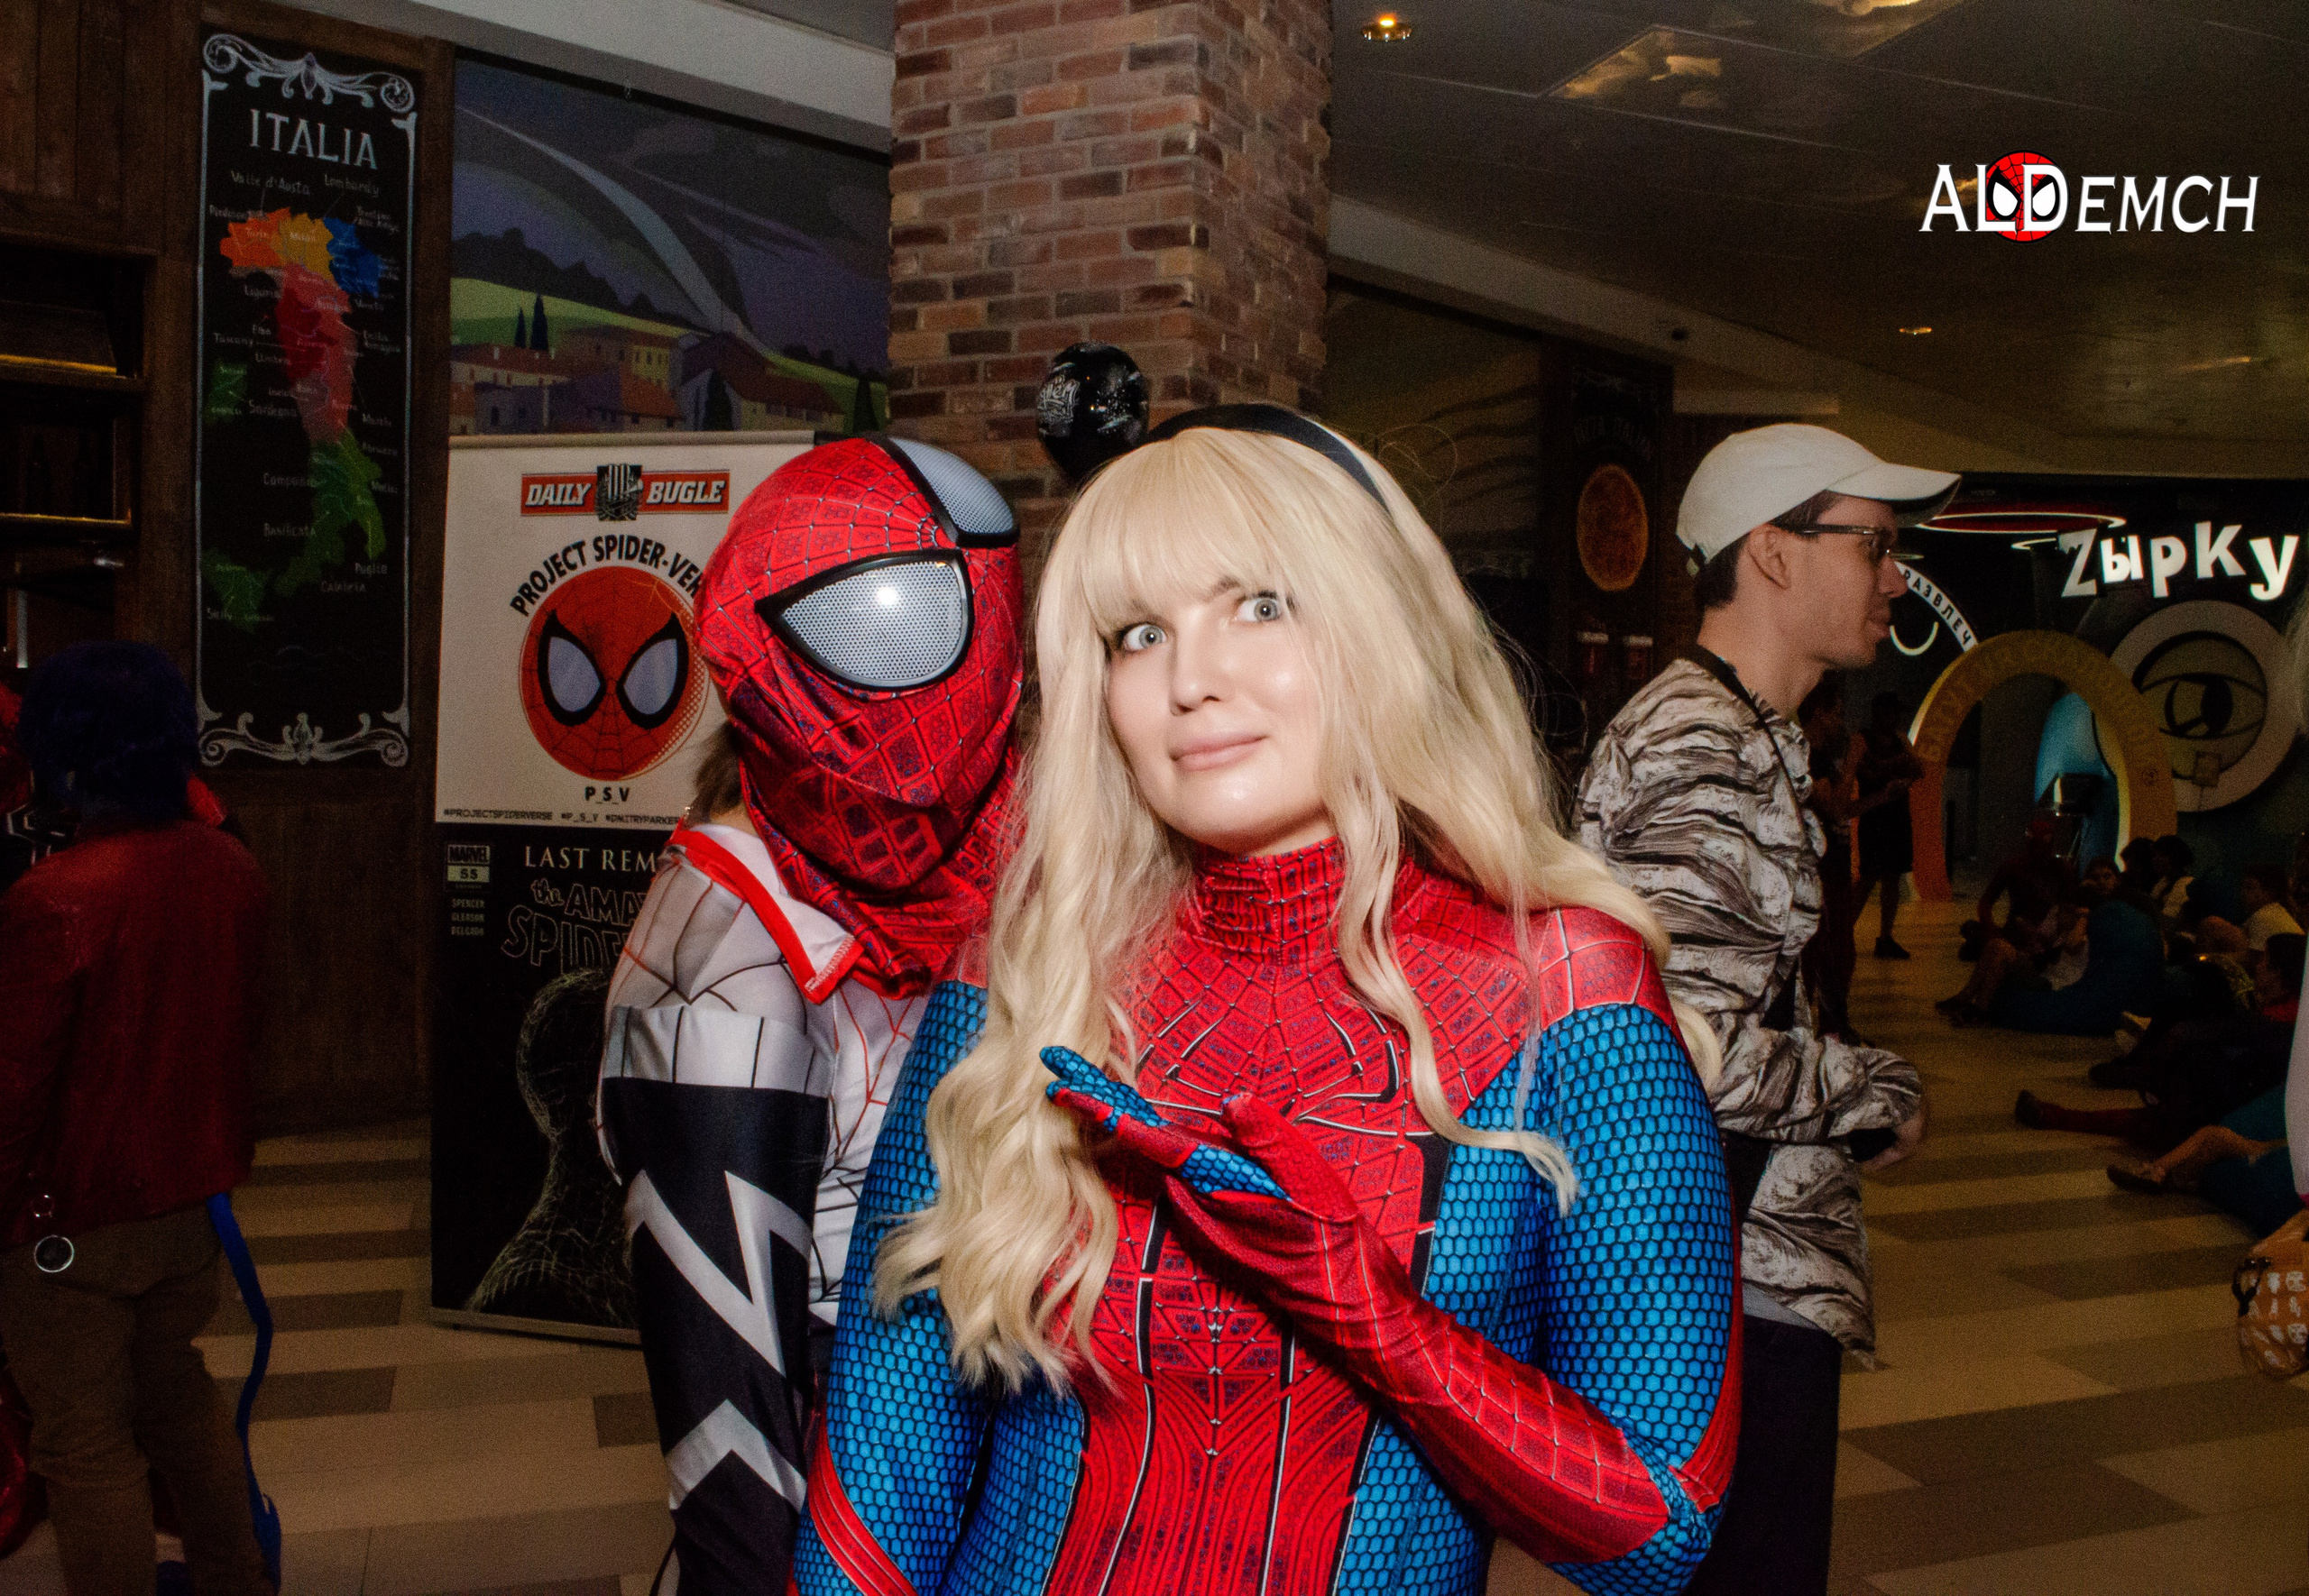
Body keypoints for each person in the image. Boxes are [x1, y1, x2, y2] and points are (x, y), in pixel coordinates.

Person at [798, 408, 1738, 1596]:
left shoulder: (1563, 987)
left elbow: (1661, 1530)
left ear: (1377, 627)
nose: (1192, 680)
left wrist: (1377, 1321)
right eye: (1139, 632)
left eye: (1259, 604)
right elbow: (883, 1474)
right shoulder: (1030, 972)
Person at [594, 436, 1024, 1595]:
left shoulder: (996, 855)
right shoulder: (724, 950)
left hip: (989, 1447)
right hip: (842, 1472)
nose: (919, 734)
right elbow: (727, 1427)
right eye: (875, 640)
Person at [1578, 421, 1944, 1596]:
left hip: (1723, 1266)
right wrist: (1870, 1089)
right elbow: (1679, 1046)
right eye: (1874, 543)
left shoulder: (1742, 733)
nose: (1896, 576)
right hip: (1719, 1281)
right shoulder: (1708, 748)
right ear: (1775, 552)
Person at [0, 642, 272, 1596]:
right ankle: (239, 1579)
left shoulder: (54, 898)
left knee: (83, 1446)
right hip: (191, 1207)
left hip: (64, 1226)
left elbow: (13, 1090)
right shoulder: (228, 866)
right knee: (179, 1405)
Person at [2018, 931, 2303, 1151]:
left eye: (2265, 960)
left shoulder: (2273, 1022)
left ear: (2278, 972)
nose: (2259, 966)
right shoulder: (2280, 1013)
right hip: (2223, 1098)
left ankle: (2055, 1115)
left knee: (2146, 1120)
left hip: (2223, 1111)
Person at [1937, 858, 2111, 1025]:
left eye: (2107, 876)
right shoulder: (2067, 908)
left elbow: (2073, 945)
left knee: (2000, 950)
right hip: (2045, 968)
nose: (2101, 882)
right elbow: (2045, 937)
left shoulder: (2092, 918)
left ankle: (1977, 1007)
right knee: (1995, 945)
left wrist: (2080, 916)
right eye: (2095, 878)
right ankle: (1969, 1001)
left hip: (2058, 982)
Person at [1798, 677, 1862, 1039]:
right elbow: (1833, 804)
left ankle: (1835, 1022)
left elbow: (1841, 811)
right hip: (1819, 868)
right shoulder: (1811, 757)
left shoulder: (1822, 759)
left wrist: (1880, 796)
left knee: (1839, 947)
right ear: (1819, 714)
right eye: (1836, 713)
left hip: (1834, 863)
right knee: (1824, 950)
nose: (1841, 721)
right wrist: (1852, 762)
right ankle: (1826, 1027)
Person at [1853, 692, 1925, 959]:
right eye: (1892, 712)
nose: (1895, 718)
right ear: (1880, 713)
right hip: (1874, 815)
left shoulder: (1900, 740)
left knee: (1893, 877)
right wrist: (1898, 766)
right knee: (1868, 877)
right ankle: (1842, 933)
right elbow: (1868, 772)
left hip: (1896, 816)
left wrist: (1901, 767)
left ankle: (1886, 937)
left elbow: (1919, 768)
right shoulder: (1862, 740)